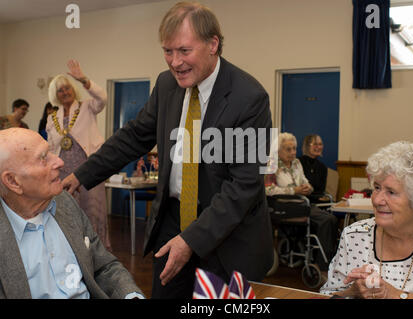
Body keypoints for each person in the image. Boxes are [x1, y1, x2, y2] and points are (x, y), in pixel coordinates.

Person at [62, 2, 273, 299]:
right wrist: (82, 175)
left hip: (227, 234)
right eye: (168, 51)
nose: (175, 62)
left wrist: (190, 240)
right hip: (171, 223)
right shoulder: (166, 85)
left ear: (213, 44)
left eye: (184, 51)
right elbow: (135, 136)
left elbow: (243, 187)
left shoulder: (249, 97)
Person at [0, 128, 144, 299]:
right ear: (12, 181)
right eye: (43, 158)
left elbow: (104, 266)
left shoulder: (64, 202)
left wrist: (131, 295)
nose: (60, 162)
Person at [320, 141, 413, 299]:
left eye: (391, 192)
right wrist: (352, 291)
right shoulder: (354, 236)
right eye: (377, 188)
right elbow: (328, 294)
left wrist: (397, 295)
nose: (377, 200)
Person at [47, 59, 111, 251]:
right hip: (63, 171)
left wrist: (84, 79)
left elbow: (103, 98)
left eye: (67, 88)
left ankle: (98, 252)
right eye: (60, 90)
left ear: (73, 89)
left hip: (88, 169)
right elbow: (51, 147)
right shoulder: (52, 118)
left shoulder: (87, 106)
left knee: (94, 212)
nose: (65, 92)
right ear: (55, 95)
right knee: (66, 212)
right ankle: (71, 249)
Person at [265, 132, 338, 271]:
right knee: (327, 220)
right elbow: (267, 190)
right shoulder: (270, 164)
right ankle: (322, 266)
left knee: (331, 219)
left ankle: (326, 261)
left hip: (301, 204)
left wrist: (307, 188)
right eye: (288, 149)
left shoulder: (297, 163)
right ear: (278, 150)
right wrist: (294, 191)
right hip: (282, 206)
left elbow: (306, 182)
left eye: (294, 148)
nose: (293, 152)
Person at [299, 134, 329, 203]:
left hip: (317, 202)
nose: (318, 147)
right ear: (307, 146)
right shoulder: (298, 163)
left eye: (320, 144)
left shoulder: (322, 167)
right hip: (302, 201)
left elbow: (321, 191)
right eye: (315, 144)